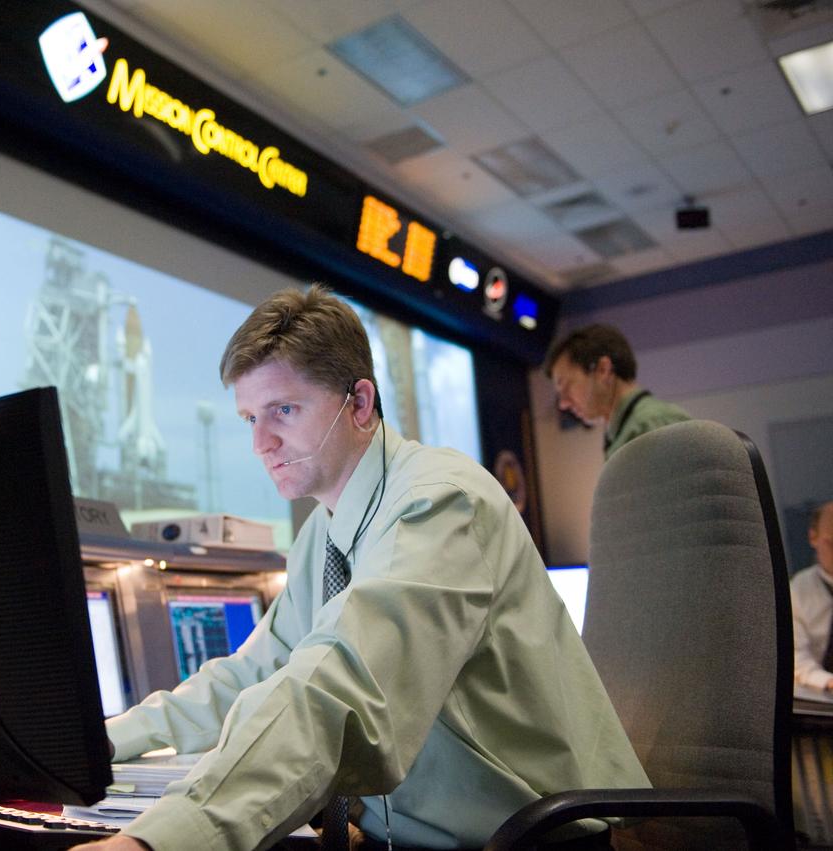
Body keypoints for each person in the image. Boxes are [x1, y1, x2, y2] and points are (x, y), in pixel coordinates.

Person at [82, 286, 648, 851]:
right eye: (250, 416)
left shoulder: (439, 503)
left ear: (359, 403)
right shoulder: (321, 535)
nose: (261, 441)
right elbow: (253, 675)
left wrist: (154, 843)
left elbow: (339, 690)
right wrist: (101, 741)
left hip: (525, 843)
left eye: (284, 410)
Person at [544, 324, 689, 460]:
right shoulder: (628, 430)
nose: (563, 404)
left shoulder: (649, 424)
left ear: (603, 370)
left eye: (566, 386)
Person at [792, 501, 833, 691]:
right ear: (813, 537)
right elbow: (796, 657)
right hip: (821, 698)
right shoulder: (798, 591)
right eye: (832, 543)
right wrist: (827, 681)